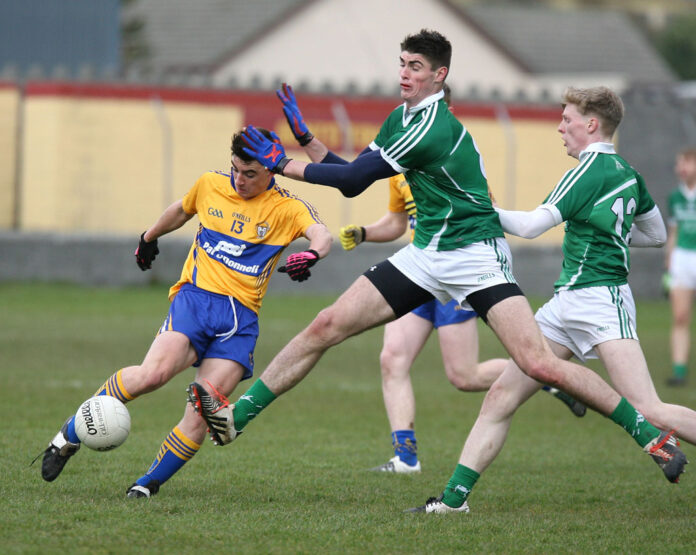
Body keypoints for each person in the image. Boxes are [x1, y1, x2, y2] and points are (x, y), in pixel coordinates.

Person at [187, 31, 686, 497]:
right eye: (402, 63)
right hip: (428, 254)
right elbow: (354, 171)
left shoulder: (432, 125)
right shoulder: (400, 118)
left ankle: (646, 432)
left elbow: (353, 181)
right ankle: (236, 417)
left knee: (538, 364)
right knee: (326, 325)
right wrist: (302, 138)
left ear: (439, 76)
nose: (405, 73)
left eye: (417, 66)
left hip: (477, 256)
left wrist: (281, 163)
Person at [408, 85, 696, 514]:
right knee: (501, 396)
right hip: (565, 304)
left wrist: (480, 207)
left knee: (648, 408)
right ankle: (453, 501)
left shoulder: (587, 171)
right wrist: (610, 233)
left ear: (591, 124)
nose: (560, 126)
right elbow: (654, 234)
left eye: (567, 118)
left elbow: (527, 228)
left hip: (601, 300)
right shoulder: (628, 173)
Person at [36, 128, 332, 498]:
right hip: (195, 300)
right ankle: (70, 434)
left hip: (239, 323)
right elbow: (181, 209)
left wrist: (313, 253)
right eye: (236, 169)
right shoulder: (210, 184)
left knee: (202, 408)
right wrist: (149, 236)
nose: (239, 179)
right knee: (152, 374)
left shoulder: (288, 207)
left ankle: (146, 485)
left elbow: (321, 233)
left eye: (250, 173)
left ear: (272, 169)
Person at [339, 87, 584, 473]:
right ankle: (405, 457)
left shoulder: (455, 156)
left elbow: (479, 215)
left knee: (463, 375)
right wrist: (366, 233)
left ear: (445, 109)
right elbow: (397, 223)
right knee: (392, 359)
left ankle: (544, 377)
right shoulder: (395, 161)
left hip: (455, 273)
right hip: (416, 269)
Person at [665, 147, 696, 386]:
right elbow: (673, 233)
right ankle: (679, 370)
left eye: (685, 163)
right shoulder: (675, 197)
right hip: (683, 259)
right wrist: (669, 266)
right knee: (680, 316)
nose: (680, 169)